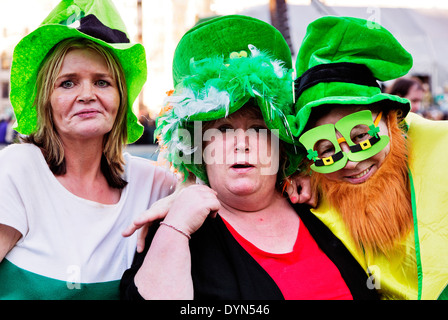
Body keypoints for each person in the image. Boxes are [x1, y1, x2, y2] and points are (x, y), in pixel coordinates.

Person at [120, 15, 378, 300]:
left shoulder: (322, 203)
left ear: (281, 142)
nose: (241, 144)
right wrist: (177, 225)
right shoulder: (181, 226)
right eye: (223, 129)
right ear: (197, 146)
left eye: (258, 128)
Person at [0, 0, 177, 299]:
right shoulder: (17, 169)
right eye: (67, 83)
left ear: (121, 97)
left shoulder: (155, 184)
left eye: (102, 82)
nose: (87, 95)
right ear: (46, 100)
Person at [287, 16, 448, 300]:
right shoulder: (310, 195)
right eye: (327, 150)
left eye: (362, 137)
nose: (351, 162)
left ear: (391, 121)